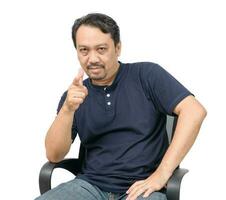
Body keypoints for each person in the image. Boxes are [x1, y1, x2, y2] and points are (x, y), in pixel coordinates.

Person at [35, 13, 207, 200]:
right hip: (89, 186)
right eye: (84, 50)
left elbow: (194, 111)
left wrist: (162, 174)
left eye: (101, 49)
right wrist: (67, 109)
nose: (92, 59)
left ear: (118, 48)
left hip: (142, 189)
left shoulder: (146, 75)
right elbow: (54, 155)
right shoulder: (75, 96)